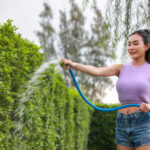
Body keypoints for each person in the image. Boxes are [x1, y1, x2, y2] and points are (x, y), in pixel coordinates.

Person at [60, 29, 150, 150]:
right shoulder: (121, 68)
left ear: (146, 46)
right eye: (129, 44)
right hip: (122, 122)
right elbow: (97, 71)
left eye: (135, 43)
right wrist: (73, 64)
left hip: (144, 122)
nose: (131, 47)